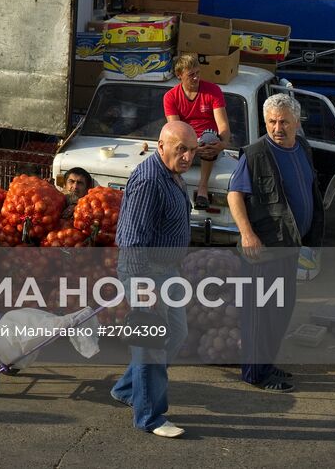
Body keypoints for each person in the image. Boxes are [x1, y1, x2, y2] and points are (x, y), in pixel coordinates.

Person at [226, 92, 325, 393]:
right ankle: (255, 374)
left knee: (281, 307)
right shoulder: (255, 154)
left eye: (283, 122)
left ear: (297, 122)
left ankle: (267, 364)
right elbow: (234, 195)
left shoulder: (302, 148)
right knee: (260, 312)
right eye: (271, 121)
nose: (277, 128)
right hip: (263, 247)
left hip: (289, 245)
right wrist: (247, 233)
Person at [110, 120, 197, 439]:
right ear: (161, 146)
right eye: (181, 150)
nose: (187, 157)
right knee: (151, 345)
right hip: (144, 273)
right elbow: (133, 239)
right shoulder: (149, 180)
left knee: (176, 333)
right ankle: (149, 416)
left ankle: (126, 389)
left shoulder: (173, 174)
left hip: (166, 271)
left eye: (192, 151)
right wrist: (143, 290)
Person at [163, 53, 232, 210]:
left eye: (198, 73)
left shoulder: (213, 90)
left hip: (209, 146)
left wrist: (223, 144)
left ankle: (202, 189)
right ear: (179, 75)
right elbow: (175, 130)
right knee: (165, 145)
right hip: (186, 146)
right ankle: (172, 193)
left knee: (208, 137)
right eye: (191, 75)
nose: (196, 78)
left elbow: (223, 125)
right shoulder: (170, 97)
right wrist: (192, 148)